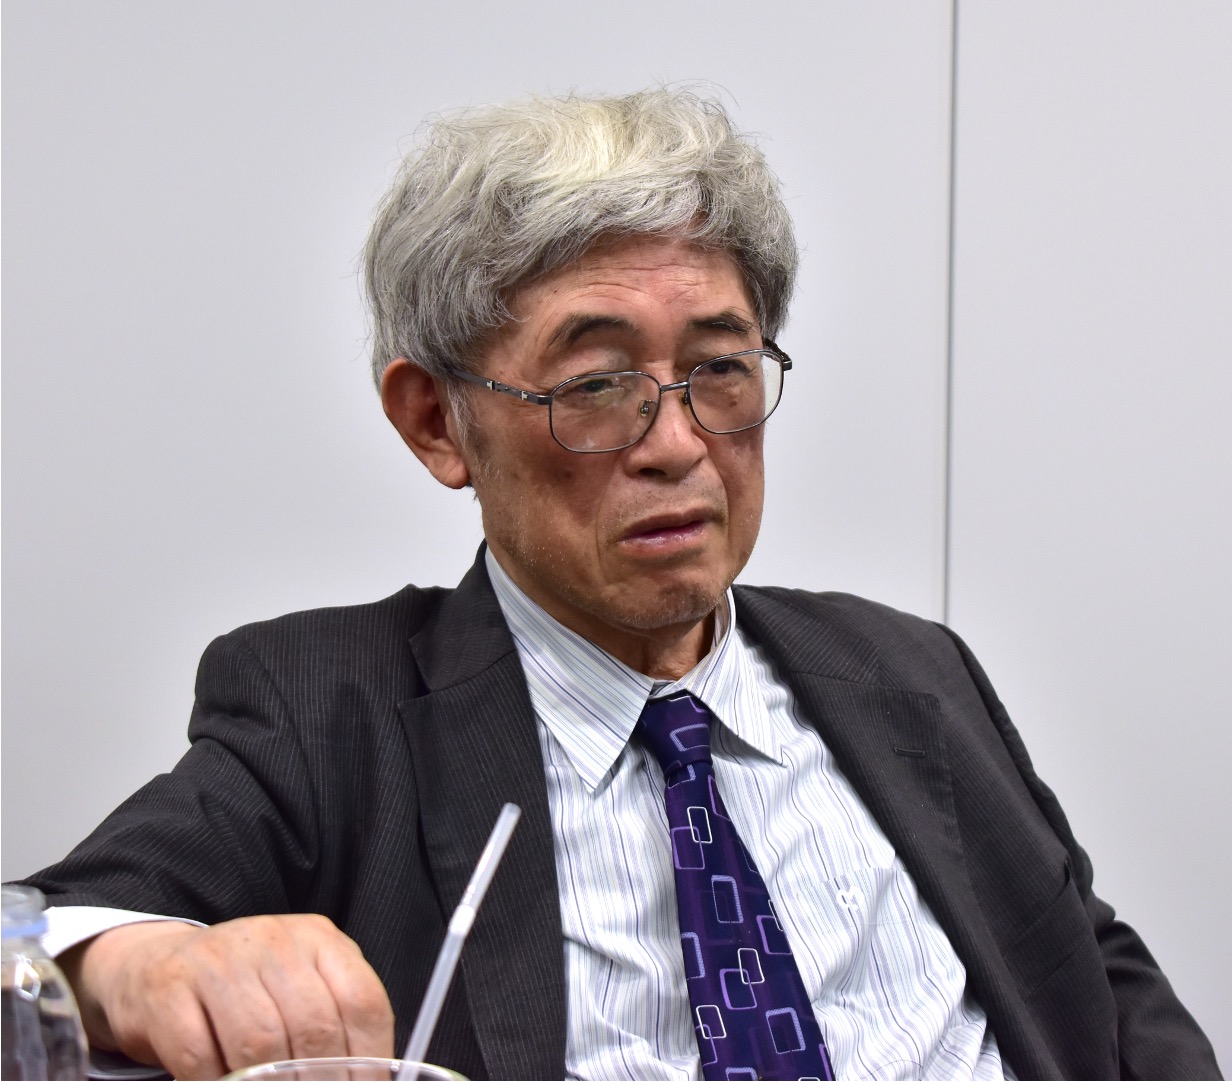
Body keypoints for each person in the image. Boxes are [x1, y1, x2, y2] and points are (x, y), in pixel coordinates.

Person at [18, 89, 1219, 1081]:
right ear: (435, 420)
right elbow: (40, 938)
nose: (677, 442)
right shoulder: (331, 708)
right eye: (595, 385)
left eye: (719, 368)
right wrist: (137, 963)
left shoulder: (909, 668)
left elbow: (1091, 972)